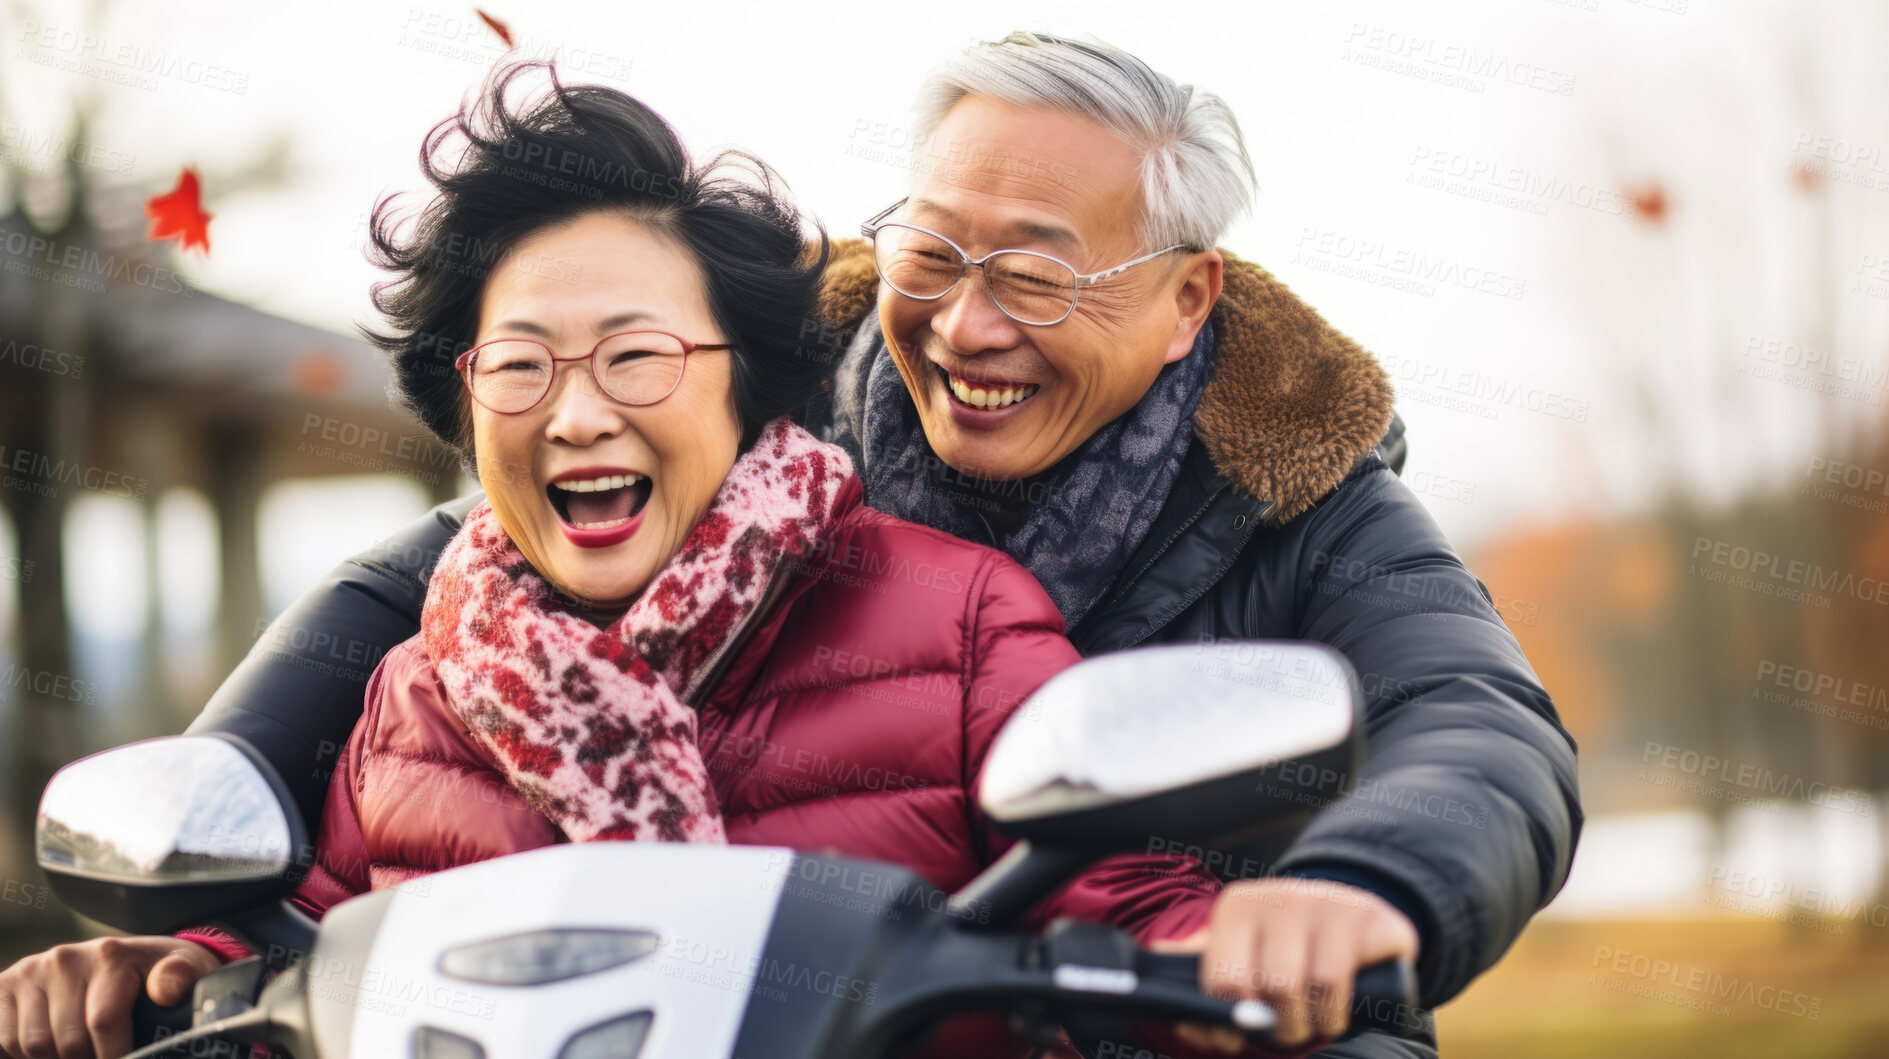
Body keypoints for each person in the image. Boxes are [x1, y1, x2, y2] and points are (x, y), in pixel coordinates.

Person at [14, 31, 1584, 1059]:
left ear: (1187, 303)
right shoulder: (625, 501)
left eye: (1038, 276)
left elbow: (1476, 724)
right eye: (937, 250)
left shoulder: (1282, 514)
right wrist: (187, 936)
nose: (967, 325)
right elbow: (401, 629)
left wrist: (1356, 898)